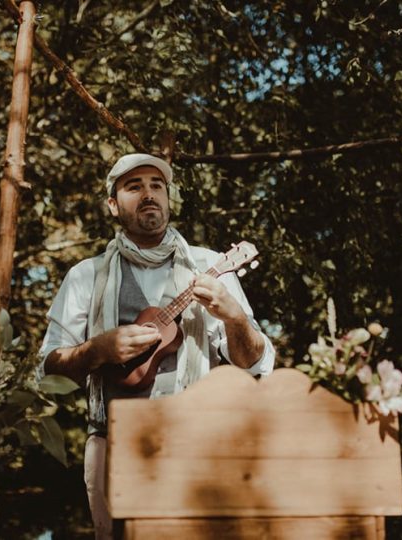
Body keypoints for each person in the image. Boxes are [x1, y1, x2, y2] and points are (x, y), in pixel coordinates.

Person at [38, 153, 275, 539]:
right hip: (112, 448)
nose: (149, 194)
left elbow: (256, 368)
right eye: (134, 187)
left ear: (168, 197)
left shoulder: (211, 265)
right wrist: (96, 350)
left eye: (157, 186)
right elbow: (46, 368)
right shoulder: (86, 276)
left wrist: (234, 317)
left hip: (199, 446)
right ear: (113, 205)